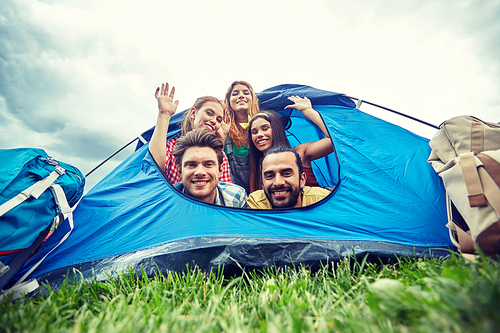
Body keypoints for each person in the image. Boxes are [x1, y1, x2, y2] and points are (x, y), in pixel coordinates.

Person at [149, 81, 232, 184]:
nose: (214, 121)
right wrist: (164, 115)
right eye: (209, 113)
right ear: (193, 113)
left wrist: (221, 139)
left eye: (219, 119)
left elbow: (224, 189)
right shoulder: (172, 145)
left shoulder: (221, 155)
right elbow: (153, 168)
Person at [248, 96, 334, 192]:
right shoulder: (256, 168)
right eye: (254, 132)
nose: (259, 134)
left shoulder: (300, 152)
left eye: (265, 129)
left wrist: (308, 111)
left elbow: (335, 141)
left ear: (276, 130)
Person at [172, 128, 247, 207]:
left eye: (208, 164)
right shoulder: (166, 202)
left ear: (220, 170)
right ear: (180, 170)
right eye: (191, 165)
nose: (200, 172)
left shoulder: (236, 199)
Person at [247, 146, 330, 209]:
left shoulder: (322, 201)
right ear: (262, 183)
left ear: (302, 180)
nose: (278, 182)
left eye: (286, 173)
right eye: (269, 176)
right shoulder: (256, 204)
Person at [222, 81, 261, 194]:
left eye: (246, 92)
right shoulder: (224, 130)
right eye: (235, 93)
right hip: (234, 197)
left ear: (252, 99)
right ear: (228, 101)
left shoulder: (264, 126)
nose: (241, 96)